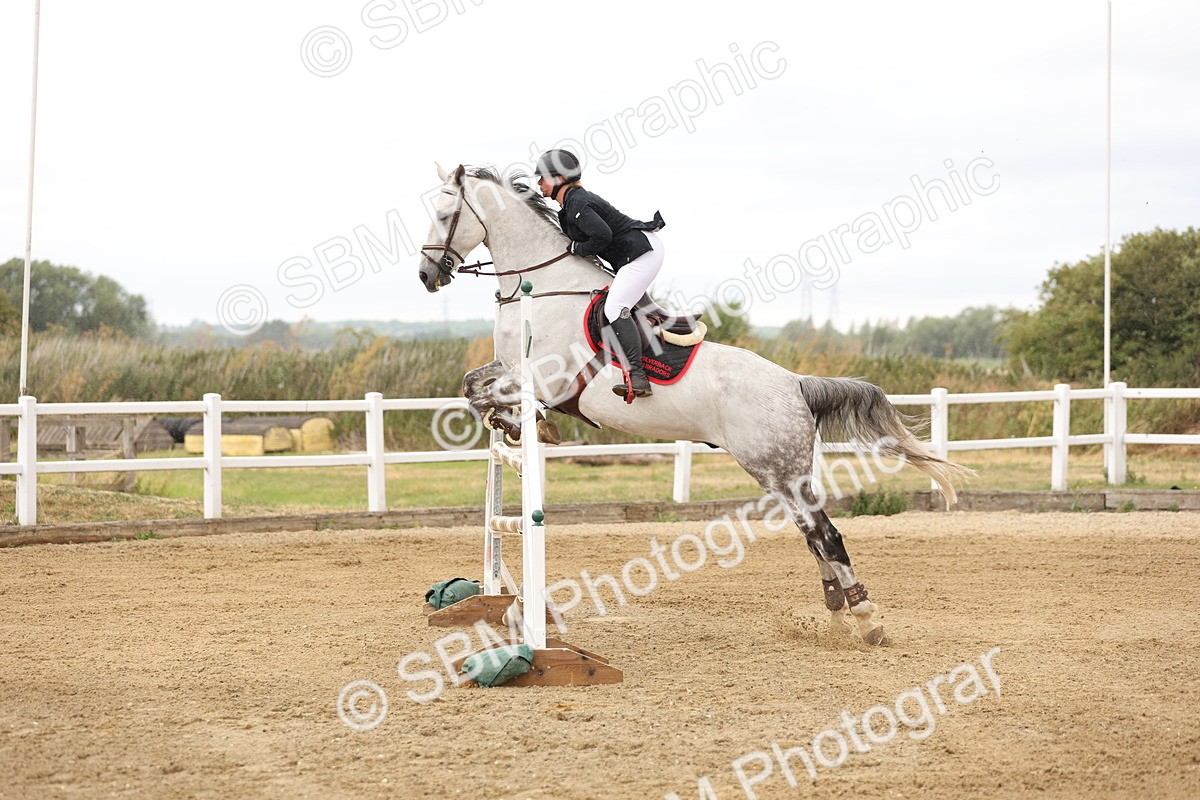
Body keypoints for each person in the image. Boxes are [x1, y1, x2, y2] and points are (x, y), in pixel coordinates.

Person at [534, 149, 665, 399]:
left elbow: (602, 236)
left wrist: (577, 248)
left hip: (643, 252)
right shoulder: (570, 204)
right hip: (635, 252)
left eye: (543, 177)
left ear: (559, 178)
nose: (539, 182)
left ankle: (638, 375)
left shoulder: (577, 202)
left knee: (614, 308)